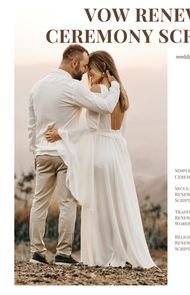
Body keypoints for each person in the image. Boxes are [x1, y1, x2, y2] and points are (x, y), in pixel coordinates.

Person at [45, 51, 157, 269]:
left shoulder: (97, 91)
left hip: (100, 152)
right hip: (118, 152)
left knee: (99, 207)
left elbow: (91, 127)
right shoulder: (121, 93)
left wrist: (62, 134)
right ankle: (123, 251)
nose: (88, 74)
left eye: (91, 69)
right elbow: (121, 130)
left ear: (104, 68)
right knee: (118, 204)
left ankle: (100, 255)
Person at [28, 45, 120, 265]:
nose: (85, 70)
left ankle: (36, 254)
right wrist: (113, 85)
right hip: (65, 154)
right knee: (67, 202)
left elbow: (31, 126)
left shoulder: (37, 87)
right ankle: (62, 253)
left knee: (38, 203)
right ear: (74, 63)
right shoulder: (72, 88)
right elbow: (105, 107)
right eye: (84, 65)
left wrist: (35, 150)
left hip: (42, 153)